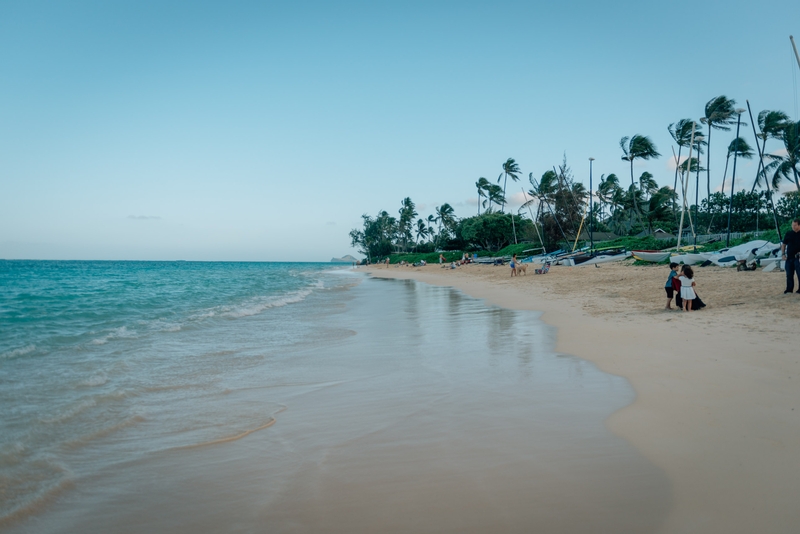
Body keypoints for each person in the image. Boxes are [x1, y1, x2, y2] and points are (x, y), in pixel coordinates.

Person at [781, 218, 800, 294]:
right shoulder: (788, 234)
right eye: (792, 225)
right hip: (789, 257)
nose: (793, 226)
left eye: (795, 225)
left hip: (798, 258)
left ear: (799, 225)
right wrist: (783, 254)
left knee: (799, 274)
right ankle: (789, 289)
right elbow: (784, 244)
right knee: (789, 274)